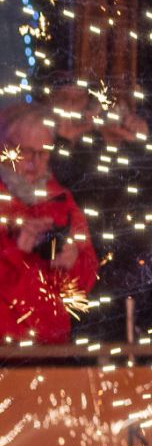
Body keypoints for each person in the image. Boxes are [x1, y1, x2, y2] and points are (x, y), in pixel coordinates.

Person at [0, 102, 99, 344]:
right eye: (26, 152)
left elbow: (84, 283)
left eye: (43, 153)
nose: (35, 163)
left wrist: (71, 261)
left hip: (51, 348)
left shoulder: (62, 201)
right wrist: (15, 252)